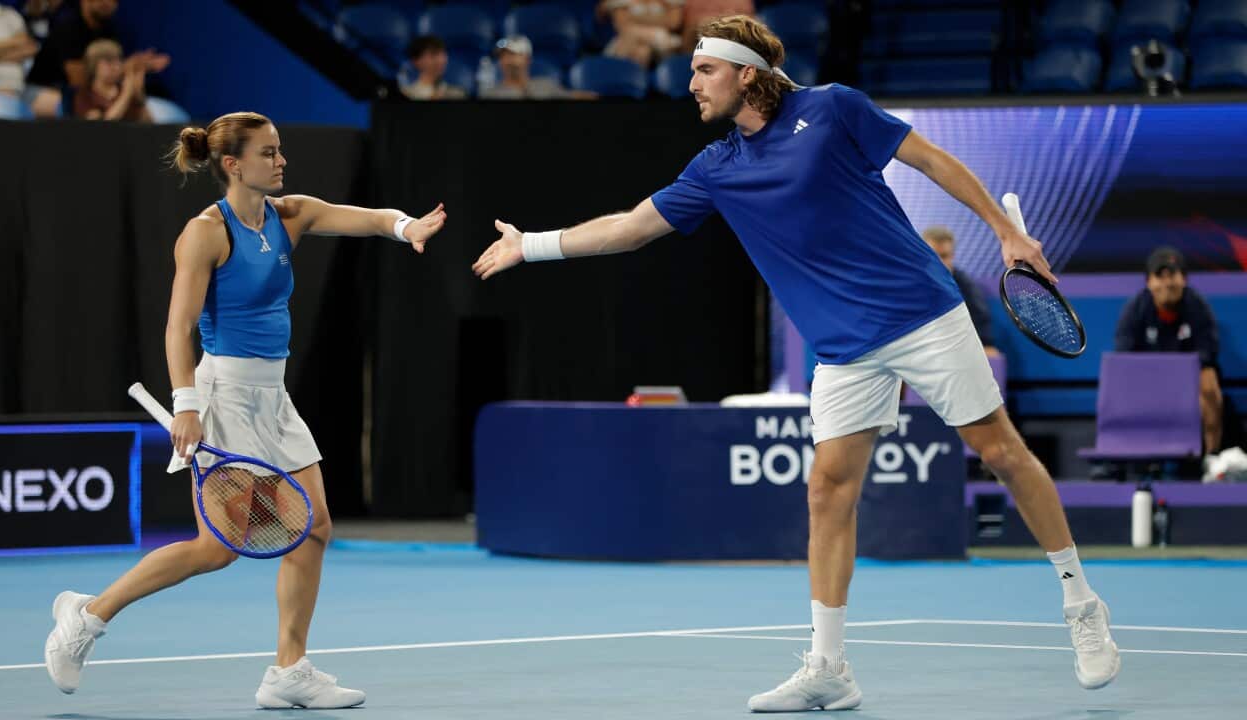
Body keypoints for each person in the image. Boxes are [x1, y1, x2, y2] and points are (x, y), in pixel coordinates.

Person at [472, 15, 1119, 711]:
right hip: (842, 347)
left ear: (746, 73)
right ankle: (829, 668)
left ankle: (1081, 604)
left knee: (998, 450)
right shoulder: (716, 168)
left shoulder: (833, 107)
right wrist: (532, 245)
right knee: (826, 490)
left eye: (704, 71)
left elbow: (930, 159)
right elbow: (630, 227)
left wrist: (1005, 230)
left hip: (919, 313)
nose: (689, 84)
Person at [43, 111, 447, 708]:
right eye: (268, 153)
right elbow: (178, 328)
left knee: (314, 527)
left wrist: (408, 226)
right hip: (222, 397)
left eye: (280, 150)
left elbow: (368, 219)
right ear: (233, 164)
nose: (281, 161)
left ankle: (289, 671)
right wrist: (185, 406)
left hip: (273, 396)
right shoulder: (206, 232)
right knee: (217, 549)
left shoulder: (291, 214)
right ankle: (87, 616)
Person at [1116, 246, 1223, 454]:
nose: (1167, 283)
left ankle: (1211, 456)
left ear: (1184, 279)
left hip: (1188, 385)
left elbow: (1208, 351)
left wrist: (1180, 374)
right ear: (1149, 282)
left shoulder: (1197, 306)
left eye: (1172, 275)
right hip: (1147, 383)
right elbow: (1124, 355)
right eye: (1159, 276)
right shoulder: (1136, 309)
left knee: (1209, 380)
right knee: (1119, 382)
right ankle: (1121, 460)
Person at [26, 0, 168, 116]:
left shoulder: (108, 29)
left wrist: (135, 73)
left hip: (84, 95)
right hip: (44, 89)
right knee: (71, 105)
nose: (108, 3)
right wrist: (127, 68)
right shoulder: (68, 27)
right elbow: (80, 82)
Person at [922, 225, 1001, 357]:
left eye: (944, 256)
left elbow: (980, 318)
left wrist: (985, 344)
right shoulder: (910, 284)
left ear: (952, 256)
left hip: (955, 348)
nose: (939, 262)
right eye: (934, 255)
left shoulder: (965, 286)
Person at [479, 35, 593, 100]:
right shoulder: (491, 94)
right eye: (502, 56)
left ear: (527, 59)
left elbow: (571, 96)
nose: (508, 59)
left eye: (513, 54)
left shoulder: (545, 85)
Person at [71, 38, 149, 121]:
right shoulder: (85, 94)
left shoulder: (123, 90)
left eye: (118, 61)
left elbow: (148, 123)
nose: (116, 67)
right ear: (94, 64)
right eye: (109, 62)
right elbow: (104, 126)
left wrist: (139, 96)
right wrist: (126, 93)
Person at [599, 0, 683, 68]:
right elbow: (622, 25)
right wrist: (659, 19)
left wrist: (634, 18)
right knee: (642, 51)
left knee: (634, 34)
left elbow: (673, 23)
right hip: (630, 41)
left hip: (661, 46)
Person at [400, 34, 466, 101]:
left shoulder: (456, 94)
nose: (441, 60)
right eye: (433, 54)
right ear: (416, 61)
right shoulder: (407, 93)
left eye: (443, 54)